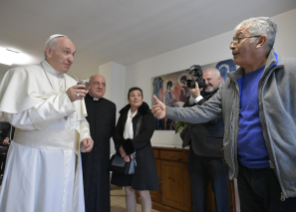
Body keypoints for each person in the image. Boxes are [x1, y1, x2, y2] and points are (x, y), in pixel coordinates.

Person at [152, 17, 296, 211]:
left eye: (238, 39)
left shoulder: (289, 71)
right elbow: (203, 111)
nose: (231, 45)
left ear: (261, 41)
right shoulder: (230, 84)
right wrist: (167, 111)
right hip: (244, 172)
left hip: (281, 175)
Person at [0, 34, 94, 212]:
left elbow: (79, 119)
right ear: (49, 51)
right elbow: (19, 118)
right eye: (66, 52)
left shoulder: (72, 82)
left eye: (73, 54)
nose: (71, 59)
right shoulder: (23, 74)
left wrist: (85, 135)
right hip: (34, 158)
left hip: (67, 157)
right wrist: (65, 99)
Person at [181, 68, 229, 212]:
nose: (206, 83)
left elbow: (213, 118)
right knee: (197, 192)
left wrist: (197, 98)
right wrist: (193, 96)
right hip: (195, 151)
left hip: (215, 152)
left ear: (219, 80)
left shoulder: (224, 94)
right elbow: (186, 113)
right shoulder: (199, 95)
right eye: (204, 79)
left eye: (209, 79)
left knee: (220, 193)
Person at [111, 87, 159, 212]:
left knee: (143, 191)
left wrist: (127, 149)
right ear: (128, 99)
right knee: (128, 190)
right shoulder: (123, 114)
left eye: (138, 95)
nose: (136, 97)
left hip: (142, 156)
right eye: (132, 95)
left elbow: (146, 134)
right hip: (125, 156)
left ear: (142, 99)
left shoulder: (147, 114)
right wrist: (121, 149)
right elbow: (116, 133)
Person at [82, 74, 116, 212]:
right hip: (83, 153)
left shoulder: (110, 106)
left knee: (101, 187)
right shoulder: (80, 102)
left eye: (103, 84)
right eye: (96, 83)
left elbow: (114, 130)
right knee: (83, 185)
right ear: (89, 85)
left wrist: (122, 147)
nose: (100, 87)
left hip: (102, 155)